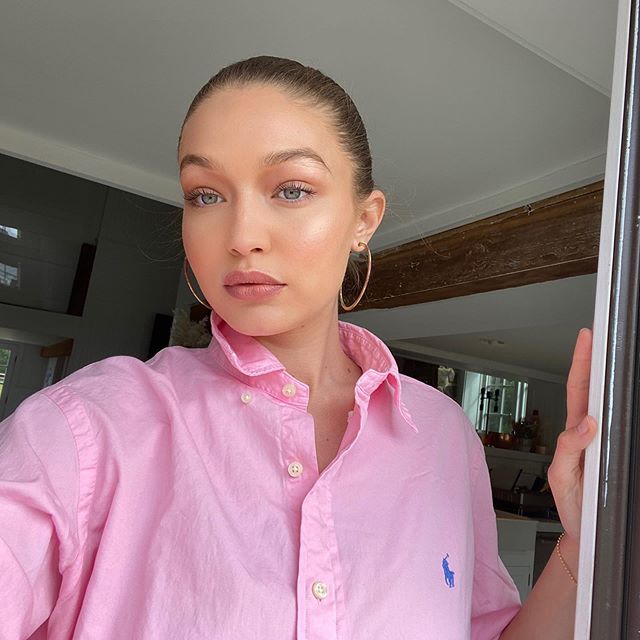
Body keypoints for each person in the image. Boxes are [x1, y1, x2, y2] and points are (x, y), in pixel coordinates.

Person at [0, 55, 597, 639]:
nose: (242, 237)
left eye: (290, 189)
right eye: (205, 195)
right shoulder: (82, 431)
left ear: (364, 220)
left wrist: (580, 536)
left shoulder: (443, 435)